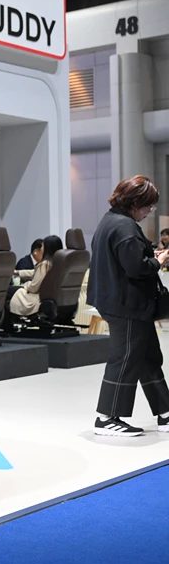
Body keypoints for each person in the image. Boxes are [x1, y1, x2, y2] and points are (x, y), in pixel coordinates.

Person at [88, 175, 169, 436]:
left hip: (121, 302)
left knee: (147, 357)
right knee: (124, 359)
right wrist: (158, 261)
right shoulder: (125, 227)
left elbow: (125, 260)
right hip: (126, 305)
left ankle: (165, 412)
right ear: (135, 203)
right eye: (148, 206)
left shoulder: (110, 221)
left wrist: (148, 257)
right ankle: (106, 417)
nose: (149, 212)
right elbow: (137, 269)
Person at [9, 235, 61, 318]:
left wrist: (25, 285)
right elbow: (35, 272)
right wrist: (17, 272)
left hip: (37, 298)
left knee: (8, 290)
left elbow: (33, 288)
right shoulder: (57, 263)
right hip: (51, 297)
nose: (41, 248)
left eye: (43, 246)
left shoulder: (45, 264)